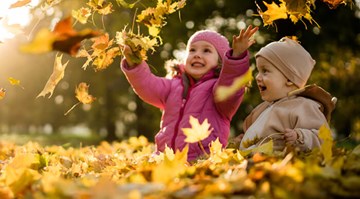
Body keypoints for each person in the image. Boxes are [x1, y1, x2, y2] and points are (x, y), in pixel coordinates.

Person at [120, 25, 258, 161]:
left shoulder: (218, 89)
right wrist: (135, 64)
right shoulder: (173, 85)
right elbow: (148, 85)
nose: (197, 54)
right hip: (164, 159)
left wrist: (236, 58)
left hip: (200, 161)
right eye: (192, 50)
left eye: (206, 51)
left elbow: (230, 86)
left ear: (220, 62)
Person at [238, 37, 336, 152]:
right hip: (253, 163)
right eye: (258, 71)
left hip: (279, 164)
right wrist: (242, 141)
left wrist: (300, 137)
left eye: (265, 71)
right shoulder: (264, 108)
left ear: (289, 79)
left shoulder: (303, 106)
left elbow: (323, 137)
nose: (257, 77)